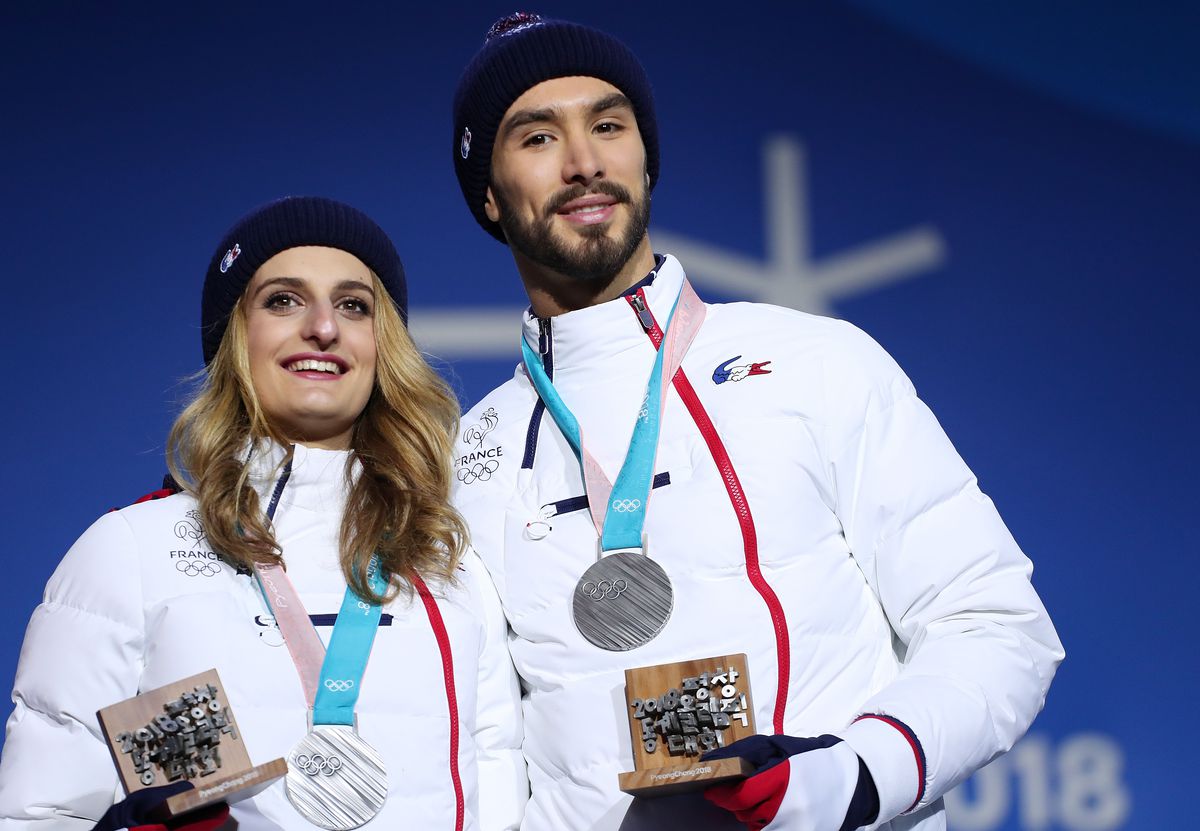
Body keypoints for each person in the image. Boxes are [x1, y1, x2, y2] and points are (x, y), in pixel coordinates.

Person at [448, 13, 1064, 831]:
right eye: (536, 137)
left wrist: (850, 778)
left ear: (645, 156)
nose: (584, 161)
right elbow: (476, 747)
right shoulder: (467, 458)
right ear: (489, 194)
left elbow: (994, 623)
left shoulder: (816, 359)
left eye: (608, 125)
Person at [0, 196, 527, 830]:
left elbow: (503, 804)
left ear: (382, 345)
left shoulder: (450, 563)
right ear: (234, 337)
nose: (323, 328)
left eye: (355, 305)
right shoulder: (133, 551)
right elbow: (37, 814)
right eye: (283, 300)